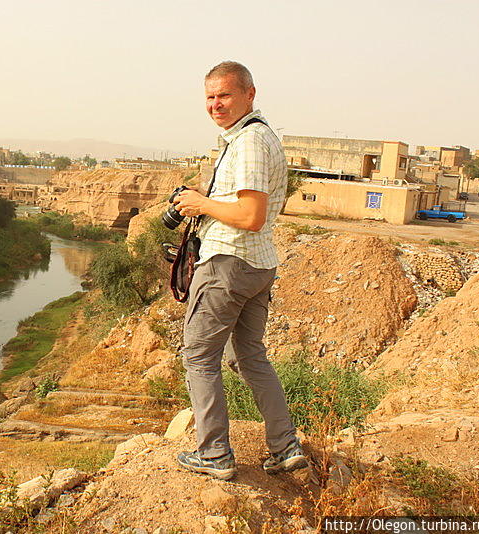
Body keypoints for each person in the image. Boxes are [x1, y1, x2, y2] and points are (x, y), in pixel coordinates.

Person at [171, 61, 306, 480]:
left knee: (199, 355)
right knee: (250, 357)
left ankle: (213, 454)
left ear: (250, 93)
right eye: (210, 97)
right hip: (258, 264)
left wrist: (199, 205)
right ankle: (285, 447)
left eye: (224, 95)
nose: (215, 104)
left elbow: (249, 215)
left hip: (229, 263)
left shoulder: (248, 142)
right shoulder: (257, 137)